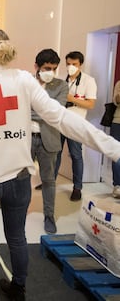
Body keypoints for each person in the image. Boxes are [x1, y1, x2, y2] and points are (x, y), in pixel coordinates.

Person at [0, 28, 120, 301]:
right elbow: (62, 118)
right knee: (16, 237)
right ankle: (18, 289)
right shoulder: (24, 80)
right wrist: (114, 148)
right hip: (18, 180)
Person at [30, 49, 68, 234]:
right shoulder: (26, 83)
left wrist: (33, 113)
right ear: (37, 67)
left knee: (48, 180)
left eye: (53, 68)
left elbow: (56, 112)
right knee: (18, 177)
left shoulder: (61, 86)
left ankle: (49, 216)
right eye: (46, 68)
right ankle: (14, 209)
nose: (50, 72)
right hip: (25, 138)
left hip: (49, 140)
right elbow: (18, 109)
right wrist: (43, 113)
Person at [54, 51, 97, 201]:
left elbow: (90, 104)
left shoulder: (88, 81)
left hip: (76, 123)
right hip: (59, 121)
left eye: (74, 64)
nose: (71, 67)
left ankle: (77, 188)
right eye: (68, 64)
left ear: (80, 64)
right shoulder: (61, 80)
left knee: (76, 155)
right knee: (55, 153)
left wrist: (71, 99)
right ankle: (50, 183)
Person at [111, 80, 120, 198]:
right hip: (118, 122)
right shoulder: (119, 83)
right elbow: (116, 100)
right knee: (116, 154)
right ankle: (117, 185)